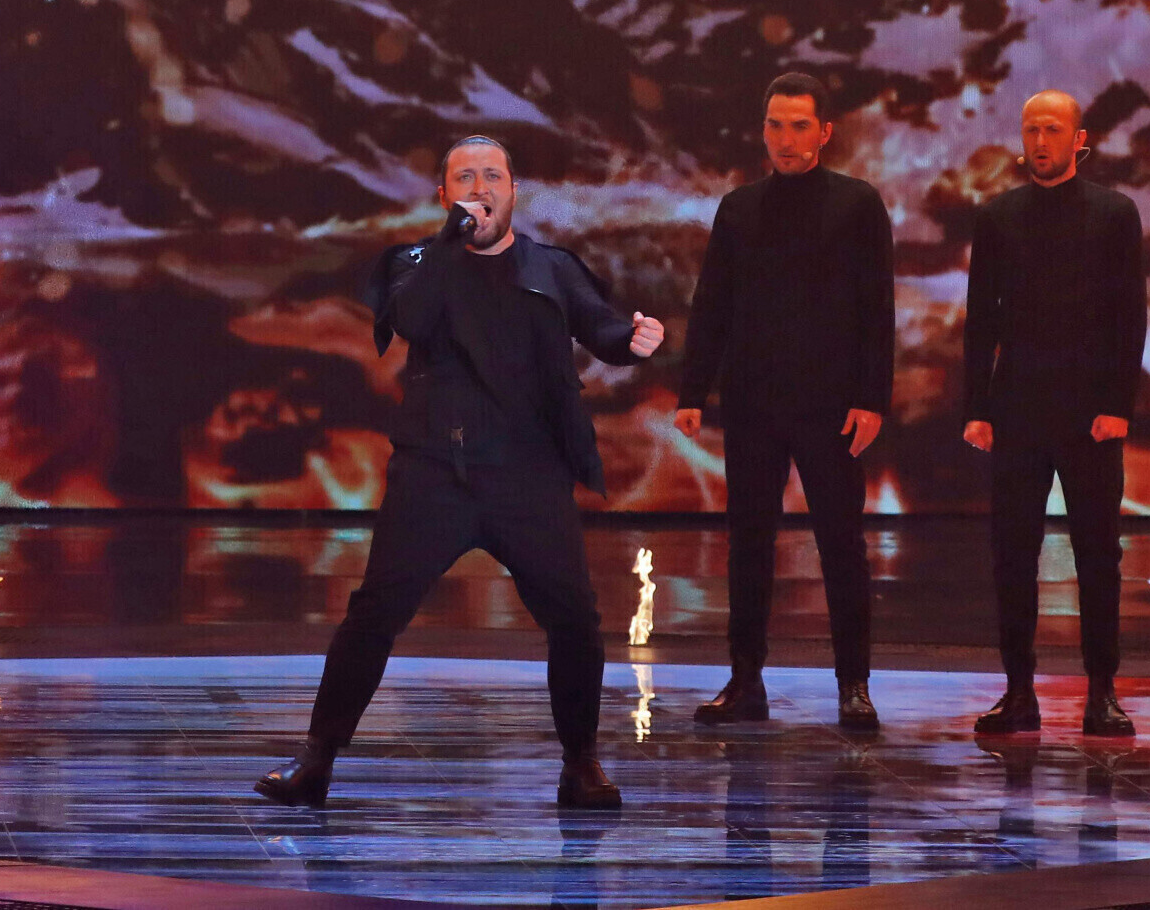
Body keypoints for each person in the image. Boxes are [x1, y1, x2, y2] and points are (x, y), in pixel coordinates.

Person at [255, 135, 665, 808]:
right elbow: (412, 319)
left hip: (528, 476)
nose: (481, 188)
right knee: (375, 612)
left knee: (574, 616)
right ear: (444, 195)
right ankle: (316, 760)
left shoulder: (552, 267)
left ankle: (581, 764)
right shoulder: (416, 264)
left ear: (514, 191)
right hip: (436, 474)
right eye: (465, 178)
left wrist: (634, 340)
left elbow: (604, 329)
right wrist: (450, 242)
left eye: (493, 176)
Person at [675, 72, 896, 731]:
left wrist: (872, 398)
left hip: (832, 405)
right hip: (753, 402)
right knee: (748, 544)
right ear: (763, 130)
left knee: (841, 545)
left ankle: (854, 684)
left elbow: (877, 308)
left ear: (825, 132)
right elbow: (712, 303)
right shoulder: (739, 208)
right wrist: (692, 391)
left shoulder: (857, 204)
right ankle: (746, 680)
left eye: (800, 126)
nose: (786, 139)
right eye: (775, 125)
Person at [961, 89, 1146, 737]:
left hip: (1090, 413)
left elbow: (1129, 315)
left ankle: (1102, 692)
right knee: (1013, 554)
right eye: (1032, 129)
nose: (1041, 140)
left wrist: (1118, 405)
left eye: (1053, 129)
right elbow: (980, 319)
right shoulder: (999, 216)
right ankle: (1018, 691)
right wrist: (976, 407)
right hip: (1017, 408)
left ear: (1079, 139)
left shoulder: (1114, 214)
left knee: (1098, 554)